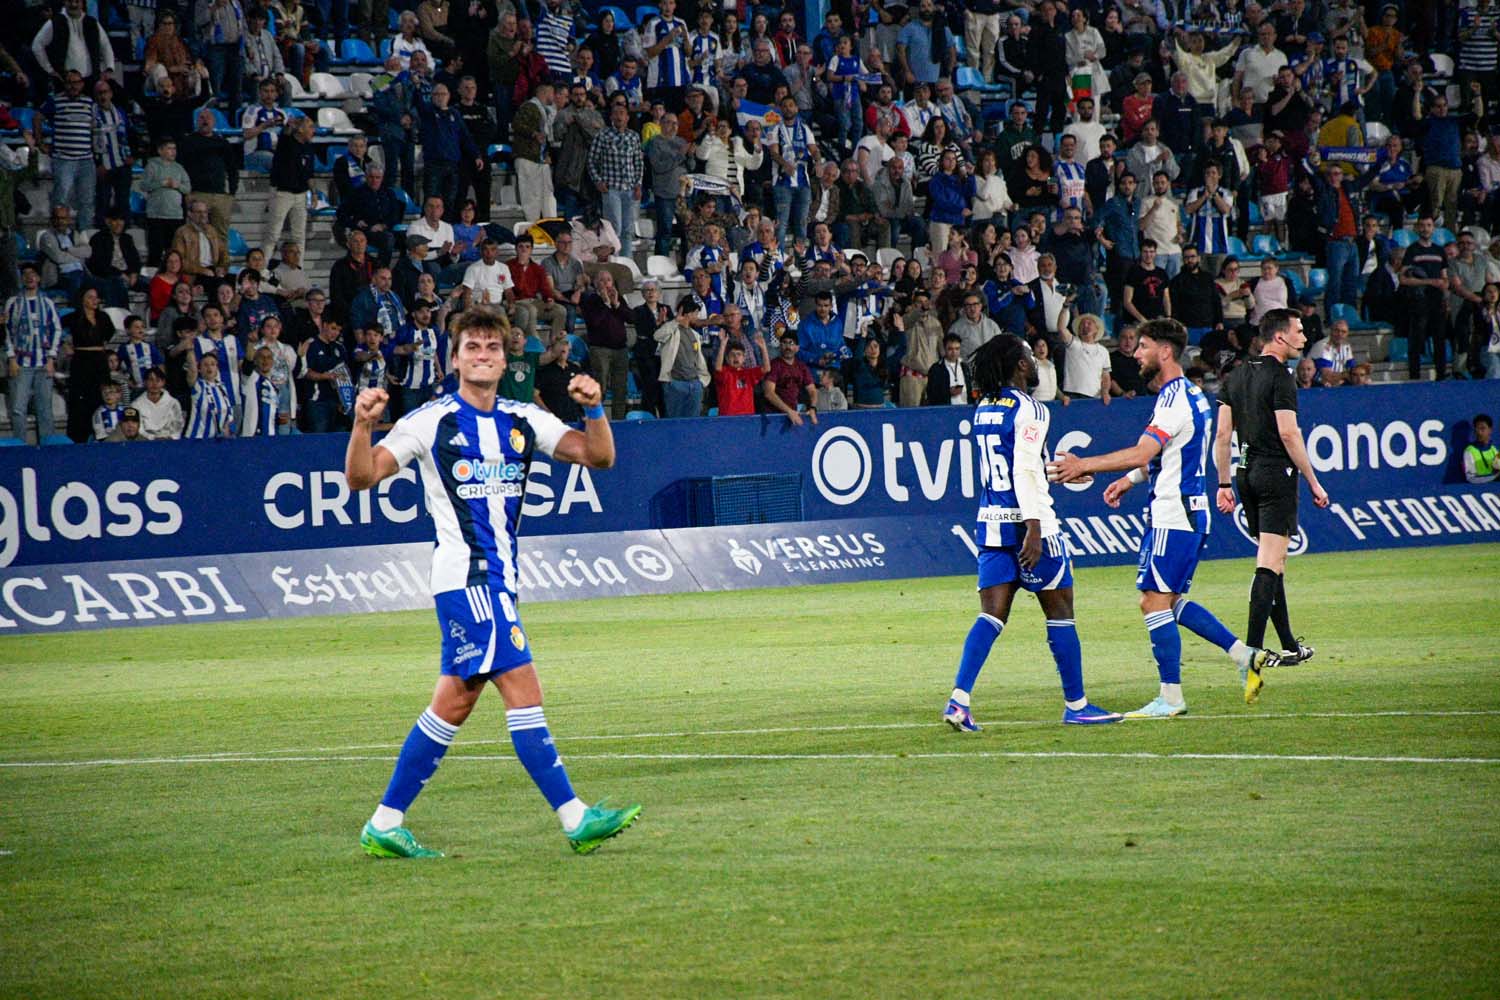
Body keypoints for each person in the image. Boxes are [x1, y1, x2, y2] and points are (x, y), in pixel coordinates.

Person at [345, 309, 639, 857]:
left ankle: (384, 823)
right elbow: (361, 477)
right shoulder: (429, 422)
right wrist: (363, 425)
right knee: (523, 685)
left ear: (507, 359)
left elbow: (599, 455)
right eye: (472, 346)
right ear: (453, 358)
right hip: (467, 578)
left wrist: (594, 407)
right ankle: (575, 818)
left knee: (453, 703)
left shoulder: (523, 419)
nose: (482, 354)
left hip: (499, 580)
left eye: (492, 347)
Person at [1048, 318, 1281, 717]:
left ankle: (1171, 697)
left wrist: (1083, 464)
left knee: (1152, 602)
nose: (1136, 354)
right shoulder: (1188, 395)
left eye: (1143, 347)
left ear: (1165, 352)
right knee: (1170, 601)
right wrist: (1127, 480)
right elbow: (1166, 457)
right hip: (1186, 513)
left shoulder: (1174, 400)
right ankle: (1244, 655)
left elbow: (1143, 452)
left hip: (1174, 515)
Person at [943, 335, 1121, 733]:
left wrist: (1059, 472)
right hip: (1029, 523)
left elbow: (1016, 466)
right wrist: (1035, 528)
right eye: (1028, 355)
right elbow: (1023, 470)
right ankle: (1077, 704)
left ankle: (959, 700)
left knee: (991, 615)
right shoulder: (1031, 409)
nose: (1035, 360)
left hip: (991, 522)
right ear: (1019, 366)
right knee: (1060, 611)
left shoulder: (985, 406)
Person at [1214, 307, 1331, 680]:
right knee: (1268, 565)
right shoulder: (1282, 377)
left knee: (1274, 561)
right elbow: (1289, 433)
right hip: (1274, 474)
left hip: (1245, 474)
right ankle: (1250, 654)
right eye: (1298, 332)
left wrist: (1223, 483)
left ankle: (1289, 645)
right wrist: (1313, 480)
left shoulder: (1235, 375)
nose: (1303, 338)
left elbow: (1221, 436)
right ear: (1279, 337)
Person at [1464, 414, 1498, 484]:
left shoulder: (1493, 449)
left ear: (1490, 430)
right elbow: (1471, 479)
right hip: (1478, 492)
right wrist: (1495, 477)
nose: (1479, 432)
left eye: (1482, 428)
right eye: (1477, 428)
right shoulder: (1469, 451)